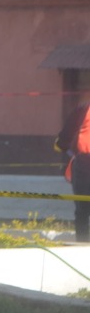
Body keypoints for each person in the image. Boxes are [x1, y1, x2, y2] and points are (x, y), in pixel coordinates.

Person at [55, 97, 90, 243]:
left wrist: (61, 145)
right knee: (82, 210)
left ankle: (82, 250)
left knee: (82, 210)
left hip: (84, 165)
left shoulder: (83, 108)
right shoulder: (82, 109)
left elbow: (62, 141)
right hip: (83, 164)